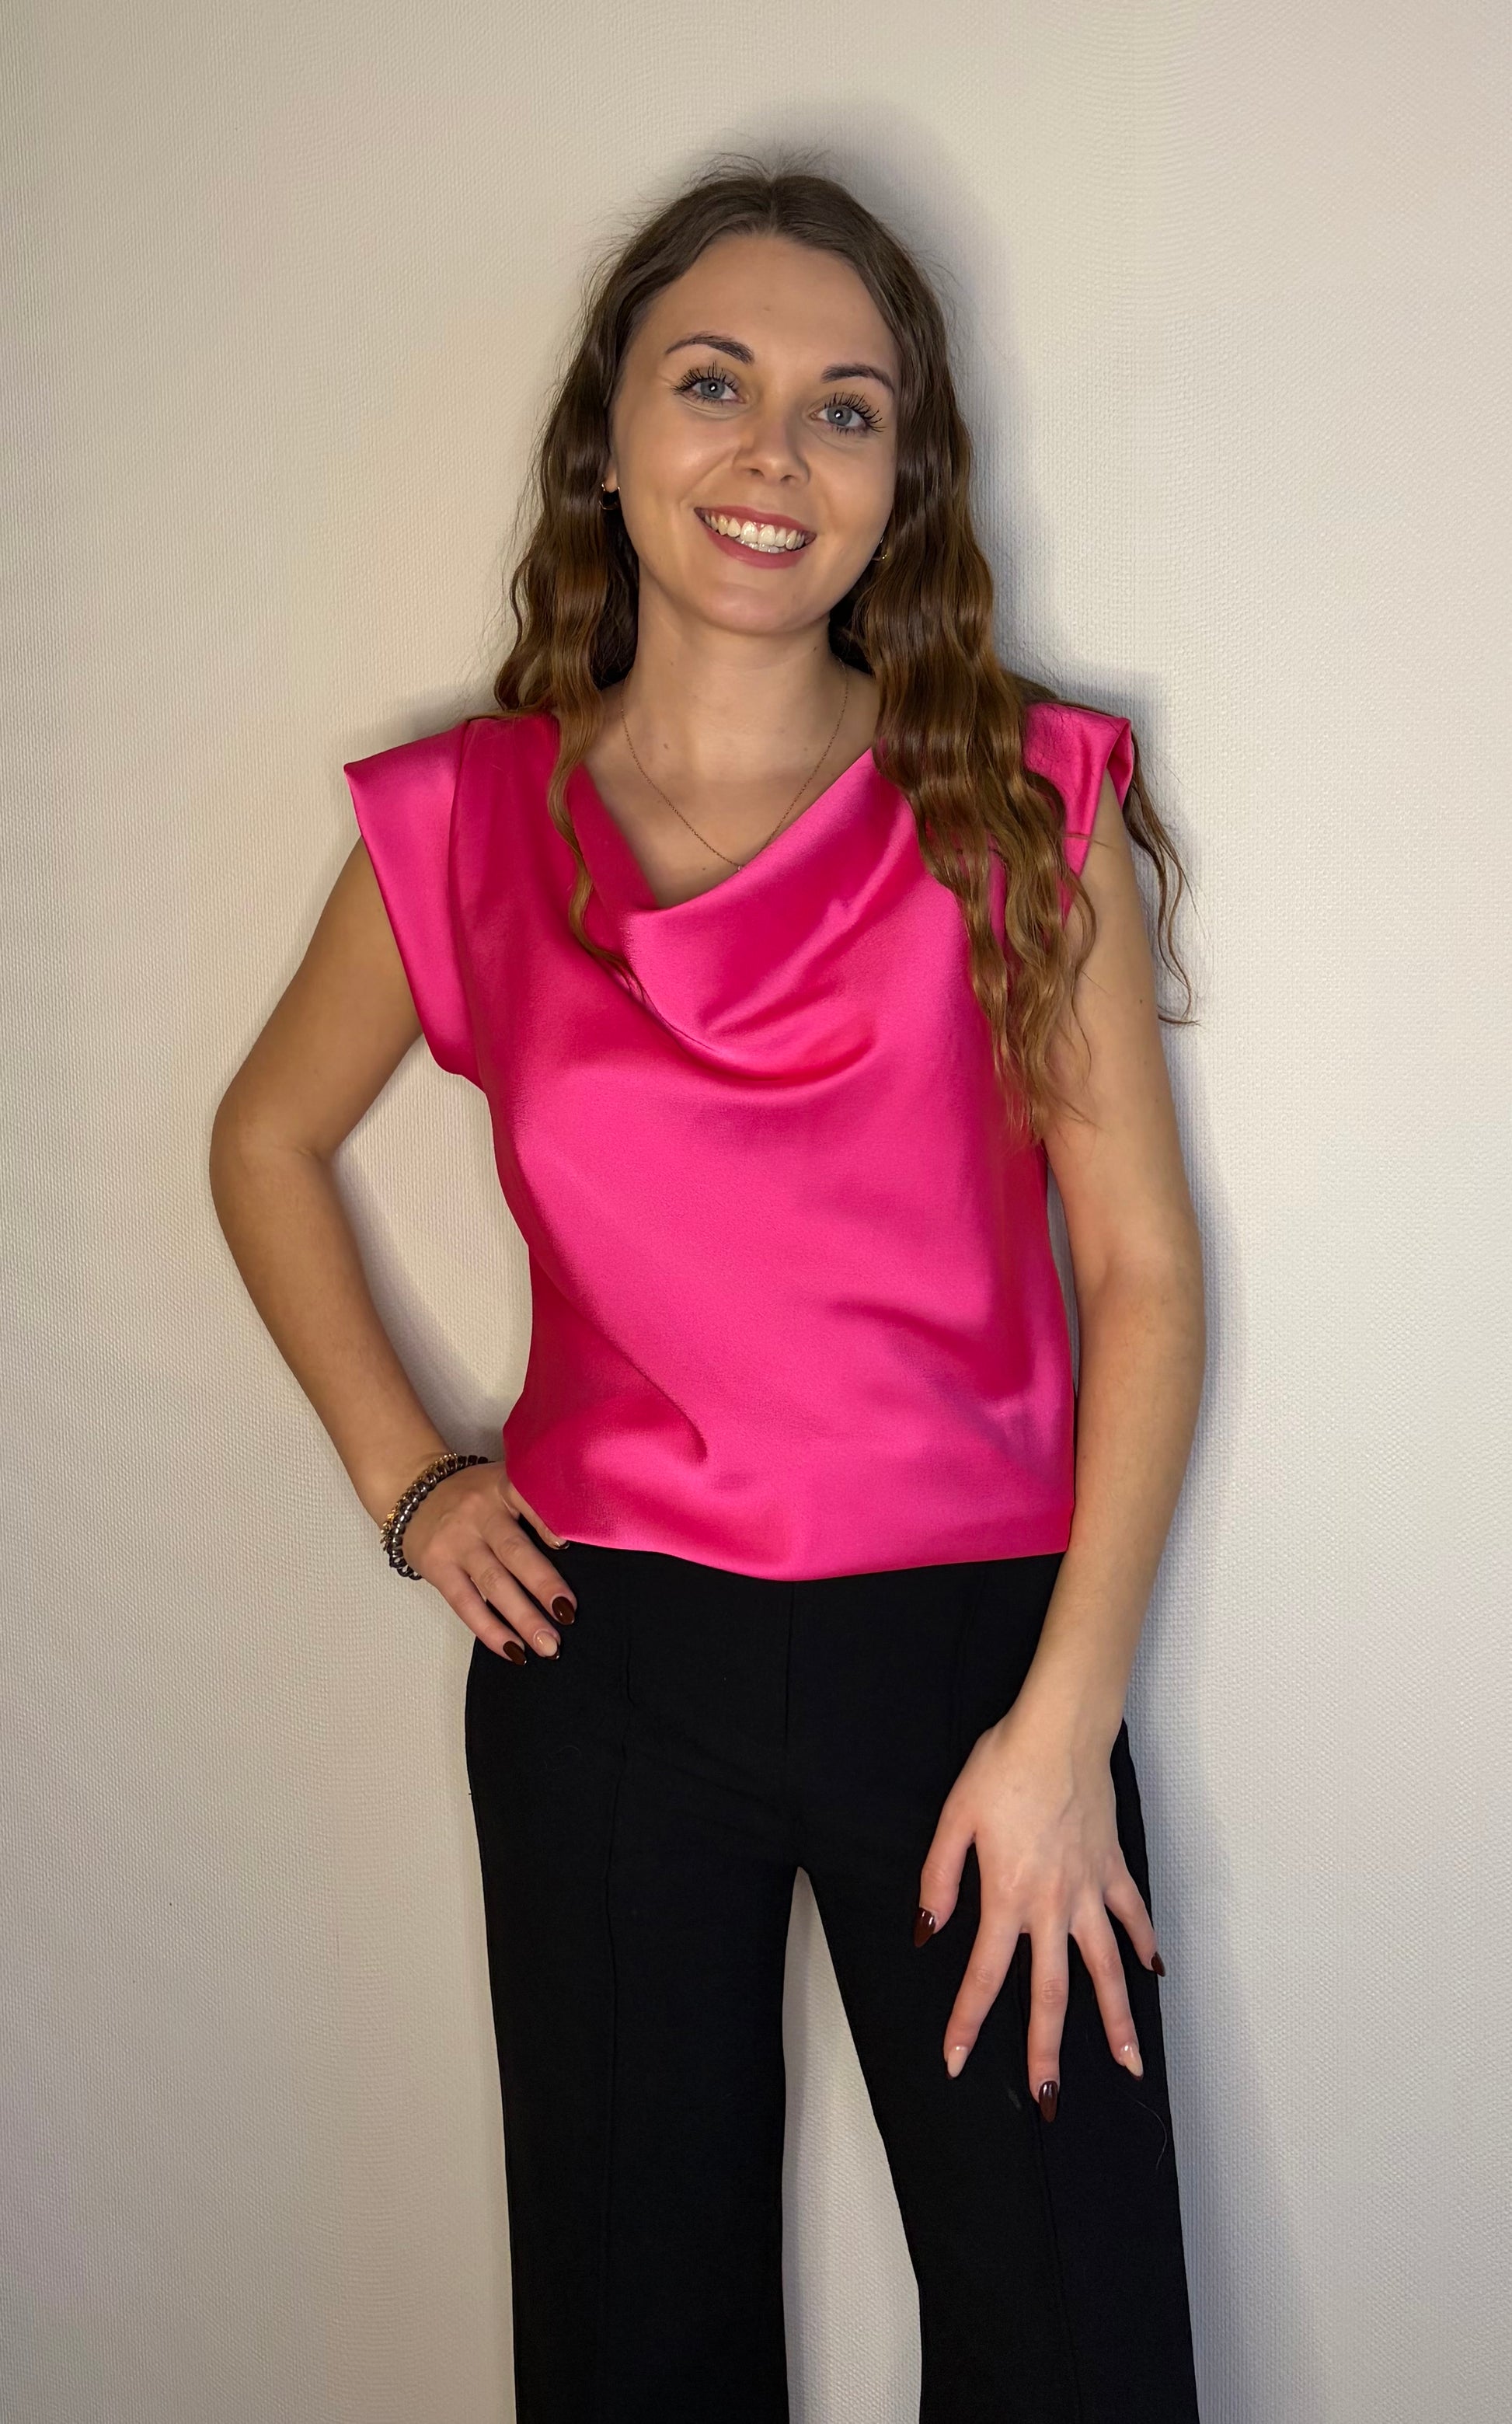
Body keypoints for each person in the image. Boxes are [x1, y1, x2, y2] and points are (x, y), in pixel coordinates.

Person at [211, 157, 1205, 2424]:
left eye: (846, 410)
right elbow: (263, 1143)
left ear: (901, 480)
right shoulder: (460, 825)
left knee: (1070, 2347)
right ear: (609, 436)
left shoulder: (1013, 804)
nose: (775, 452)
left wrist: (1063, 1729)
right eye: (713, 384)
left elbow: (1141, 1271)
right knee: (630, 2349)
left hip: (976, 1670)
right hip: (605, 1668)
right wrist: (411, 1483)